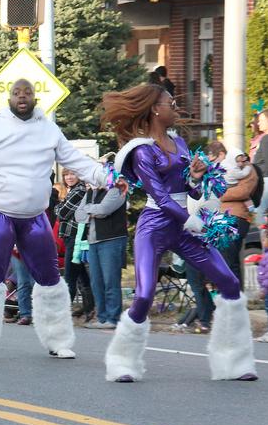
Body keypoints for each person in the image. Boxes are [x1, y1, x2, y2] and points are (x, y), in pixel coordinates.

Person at [101, 84, 257, 382]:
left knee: (229, 281)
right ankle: (121, 360)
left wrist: (196, 179)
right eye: (170, 102)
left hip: (184, 224)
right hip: (156, 225)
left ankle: (235, 362)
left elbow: (190, 189)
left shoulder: (180, 144)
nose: (176, 107)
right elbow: (160, 198)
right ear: (155, 109)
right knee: (145, 295)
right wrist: (194, 223)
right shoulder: (142, 151)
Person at [0, 78, 106, 360]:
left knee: (50, 278)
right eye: (16, 93)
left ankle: (58, 340)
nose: (21, 97)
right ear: (9, 99)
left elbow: (76, 161)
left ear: (34, 98)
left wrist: (109, 178)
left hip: (34, 217)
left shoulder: (49, 130)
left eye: (27, 93)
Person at [75, 170, 128, 329]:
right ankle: (102, 317)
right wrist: (93, 211)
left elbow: (105, 210)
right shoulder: (91, 191)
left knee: (110, 281)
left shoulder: (117, 189)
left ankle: (113, 318)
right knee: (96, 282)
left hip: (111, 240)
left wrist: (89, 210)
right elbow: (78, 216)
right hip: (93, 241)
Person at [53, 169, 94, 322]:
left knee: (70, 276)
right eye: (66, 175)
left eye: (72, 174)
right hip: (71, 236)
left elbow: (61, 213)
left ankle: (61, 314)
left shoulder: (79, 190)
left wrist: (60, 206)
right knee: (82, 275)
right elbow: (60, 210)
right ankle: (90, 310)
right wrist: (60, 207)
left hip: (75, 237)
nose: (69, 177)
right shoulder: (73, 190)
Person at [216, 150, 259, 285]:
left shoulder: (249, 169)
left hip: (237, 217)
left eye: (242, 158)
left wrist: (221, 193)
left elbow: (243, 191)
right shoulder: (227, 168)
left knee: (230, 261)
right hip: (224, 217)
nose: (241, 161)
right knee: (226, 261)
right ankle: (231, 297)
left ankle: (235, 298)